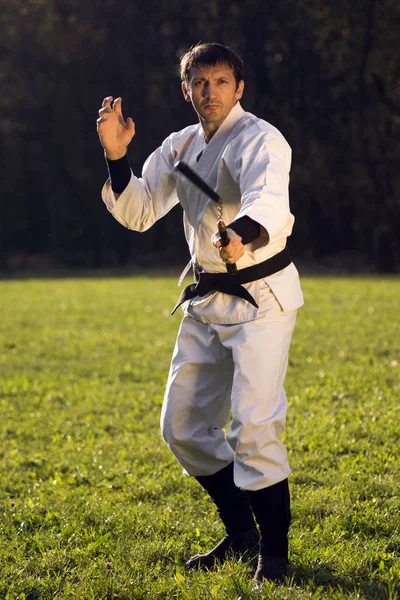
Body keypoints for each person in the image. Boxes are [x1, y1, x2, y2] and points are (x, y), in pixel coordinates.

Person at [97, 42, 303, 585]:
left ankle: (274, 560)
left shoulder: (262, 138)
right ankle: (241, 533)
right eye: (199, 82)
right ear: (185, 89)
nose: (209, 92)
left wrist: (242, 234)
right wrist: (118, 156)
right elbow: (139, 212)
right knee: (183, 426)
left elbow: (269, 200)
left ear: (238, 88)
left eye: (220, 81)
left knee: (254, 427)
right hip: (206, 300)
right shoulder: (179, 146)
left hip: (260, 298)